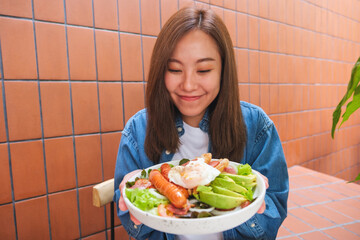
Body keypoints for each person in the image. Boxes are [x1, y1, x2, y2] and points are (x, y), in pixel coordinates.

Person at [114, 6, 288, 240]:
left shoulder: (257, 126)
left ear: (223, 70)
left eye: (203, 69)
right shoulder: (138, 130)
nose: (188, 84)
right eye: (175, 69)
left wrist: (256, 204)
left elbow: (273, 215)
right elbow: (133, 223)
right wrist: (132, 195)